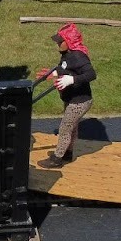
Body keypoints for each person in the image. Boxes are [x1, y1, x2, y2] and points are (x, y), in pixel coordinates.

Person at [38, 22, 96, 169]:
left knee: (65, 128)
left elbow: (91, 74)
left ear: (69, 41)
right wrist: (53, 73)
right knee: (72, 127)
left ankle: (57, 159)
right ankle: (68, 153)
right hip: (71, 98)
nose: (57, 44)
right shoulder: (66, 55)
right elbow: (65, 68)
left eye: (60, 41)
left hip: (80, 101)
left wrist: (72, 80)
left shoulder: (78, 57)